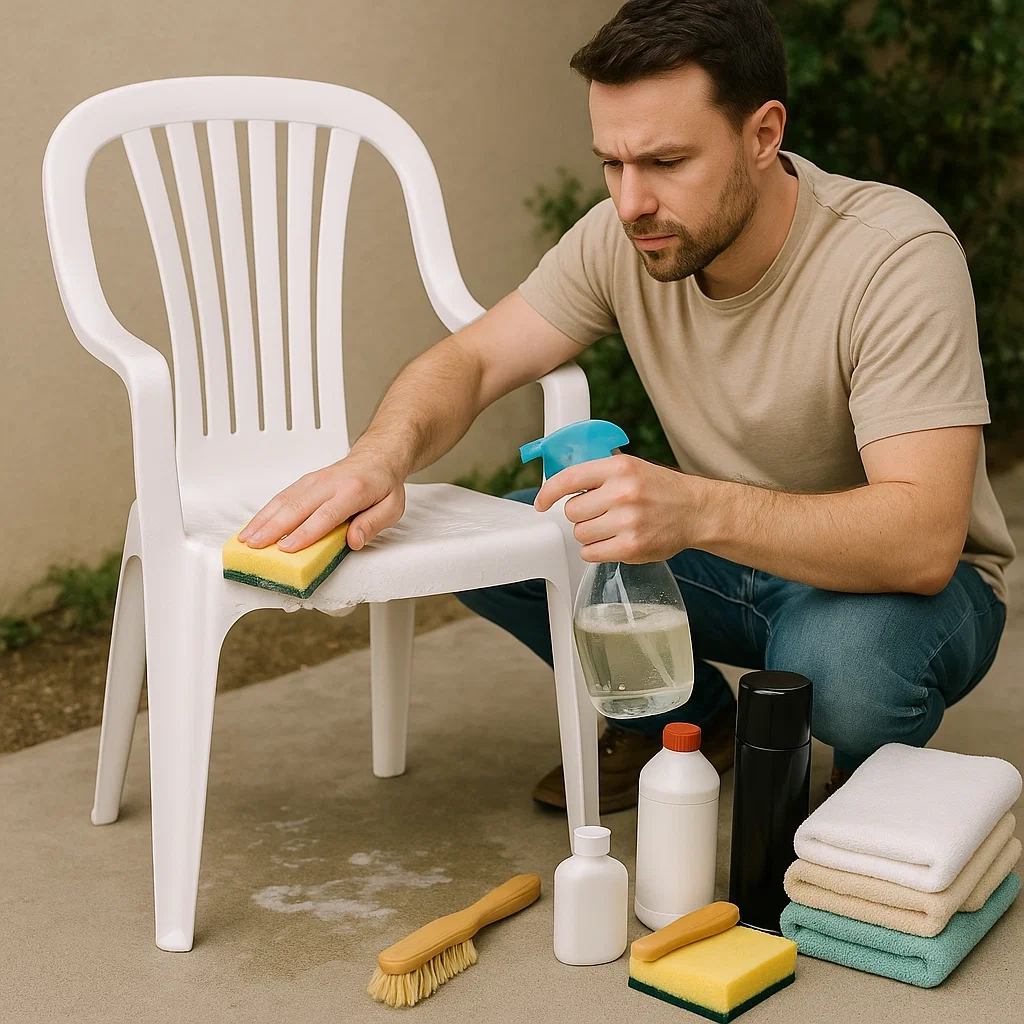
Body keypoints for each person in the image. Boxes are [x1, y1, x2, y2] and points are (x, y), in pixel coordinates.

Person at [236, 0, 1015, 814]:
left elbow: (922, 540)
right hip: (731, 559)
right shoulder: (627, 235)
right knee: (501, 542)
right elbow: (473, 359)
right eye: (612, 163)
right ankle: (690, 722)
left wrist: (696, 507)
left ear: (763, 134)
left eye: (666, 161)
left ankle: (868, 771)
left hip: (905, 588)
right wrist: (378, 458)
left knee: (841, 669)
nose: (631, 200)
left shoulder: (894, 257)